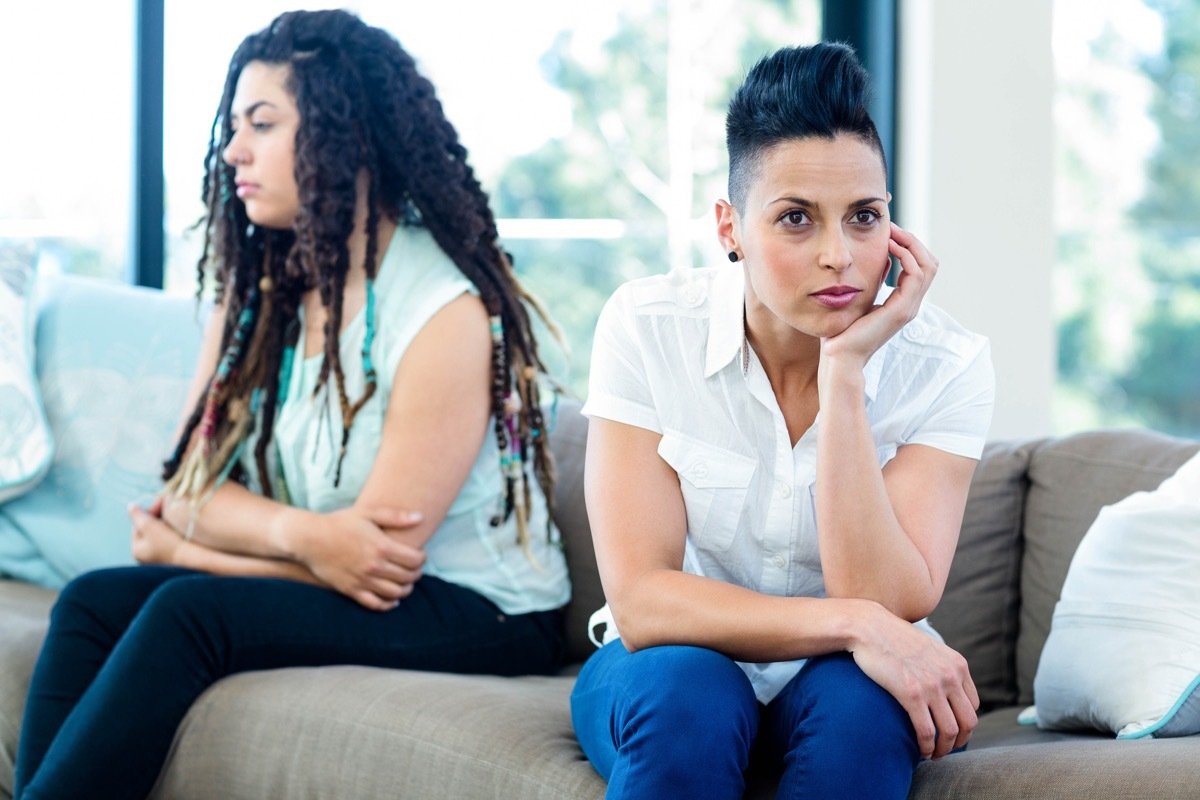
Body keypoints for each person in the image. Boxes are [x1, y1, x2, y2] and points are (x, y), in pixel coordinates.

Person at [14, 10, 570, 800]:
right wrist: (297, 532)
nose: (233, 150)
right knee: (92, 602)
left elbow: (369, 566)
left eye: (262, 124)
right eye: (233, 125)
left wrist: (193, 555)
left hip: (482, 611)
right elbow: (186, 489)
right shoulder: (258, 291)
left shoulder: (442, 309)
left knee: (186, 616)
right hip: (353, 572)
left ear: (349, 138)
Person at [570, 42, 995, 799]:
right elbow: (643, 599)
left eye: (864, 217)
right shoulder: (645, 324)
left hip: (847, 682)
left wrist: (845, 375)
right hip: (670, 666)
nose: (840, 255)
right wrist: (857, 626)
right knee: (687, 695)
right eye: (796, 218)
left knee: (863, 712)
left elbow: (891, 598)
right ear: (729, 227)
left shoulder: (948, 364)